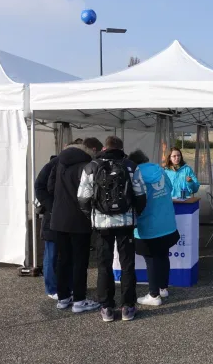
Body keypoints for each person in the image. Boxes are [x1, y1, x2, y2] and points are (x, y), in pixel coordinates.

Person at [77, 136, 146, 322]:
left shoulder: (91, 167)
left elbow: (82, 198)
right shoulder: (131, 166)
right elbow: (140, 195)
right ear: (121, 148)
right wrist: (135, 213)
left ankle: (107, 308)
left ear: (104, 148)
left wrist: (91, 215)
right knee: (127, 265)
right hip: (126, 223)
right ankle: (128, 307)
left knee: (104, 266)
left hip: (102, 225)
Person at [48, 137, 103, 313]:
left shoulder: (59, 163)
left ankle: (63, 297)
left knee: (62, 260)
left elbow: (49, 187)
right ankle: (79, 299)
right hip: (79, 220)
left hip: (58, 219)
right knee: (80, 261)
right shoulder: (87, 165)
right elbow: (90, 194)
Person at [128, 150, 180, 307]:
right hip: (167, 223)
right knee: (163, 255)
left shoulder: (136, 175)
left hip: (148, 224)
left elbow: (134, 199)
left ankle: (153, 295)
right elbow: (170, 189)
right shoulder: (161, 171)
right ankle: (163, 288)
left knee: (150, 259)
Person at [34, 154, 60, 299]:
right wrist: (52, 207)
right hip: (52, 218)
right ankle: (51, 289)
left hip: (56, 217)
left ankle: (56, 287)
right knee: (52, 255)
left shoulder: (55, 166)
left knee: (56, 255)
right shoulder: (54, 166)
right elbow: (40, 187)